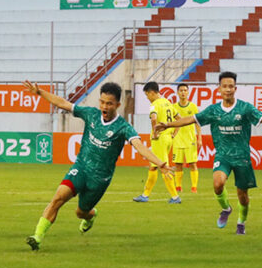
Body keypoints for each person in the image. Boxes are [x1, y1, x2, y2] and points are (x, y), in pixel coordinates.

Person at [22, 81, 173, 251]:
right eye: (102, 102)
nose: (104, 107)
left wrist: (160, 163)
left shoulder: (123, 127)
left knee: (80, 212)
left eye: (109, 103)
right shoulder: (91, 114)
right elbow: (63, 103)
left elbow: (139, 146)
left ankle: (91, 216)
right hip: (81, 168)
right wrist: (40, 92)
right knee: (58, 198)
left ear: (117, 105)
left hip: (100, 179)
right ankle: (37, 237)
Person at [156, 71, 262, 235]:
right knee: (217, 184)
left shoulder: (245, 108)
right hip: (223, 155)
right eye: (224, 86)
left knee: (243, 196)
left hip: (242, 157)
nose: (228, 89)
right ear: (219, 89)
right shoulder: (213, 110)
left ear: (235, 88)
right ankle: (226, 209)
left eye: (231, 86)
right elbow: (191, 119)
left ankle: (241, 223)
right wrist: (168, 125)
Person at [133, 82, 181, 204]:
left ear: (152, 92)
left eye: (147, 95)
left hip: (159, 140)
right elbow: (179, 119)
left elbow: (154, 118)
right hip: (168, 138)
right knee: (153, 166)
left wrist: (155, 132)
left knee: (163, 167)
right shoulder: (168, 102)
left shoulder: (155, 104)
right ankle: (145, 195)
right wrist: (174, 133)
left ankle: (175, 197)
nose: (147, 98)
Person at [172, 83, 202, 194]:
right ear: (177, 92)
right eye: (181, 90)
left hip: (190, 140)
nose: (183, 92)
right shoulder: (173, 107)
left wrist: (199, 138)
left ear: (188, 92)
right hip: (177, 140)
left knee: (192, 164)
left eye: (185, 90)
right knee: (178, 164)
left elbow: (197, 123)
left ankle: (194, 187)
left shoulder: (193, 107)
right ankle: (178, 187)